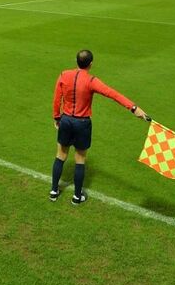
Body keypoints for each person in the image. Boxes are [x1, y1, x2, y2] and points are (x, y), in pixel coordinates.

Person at [50, 49, 147, 204]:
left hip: (66, 121)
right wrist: (134, 108)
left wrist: (57, 117)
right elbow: (112, 94)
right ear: (91, 64)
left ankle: (54, 191)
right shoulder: (91, 81)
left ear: (76, 62)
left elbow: (57, 98)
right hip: (82, 124)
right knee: (80, 159)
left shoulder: (63, 75)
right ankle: (76, 197)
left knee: (60, 155)